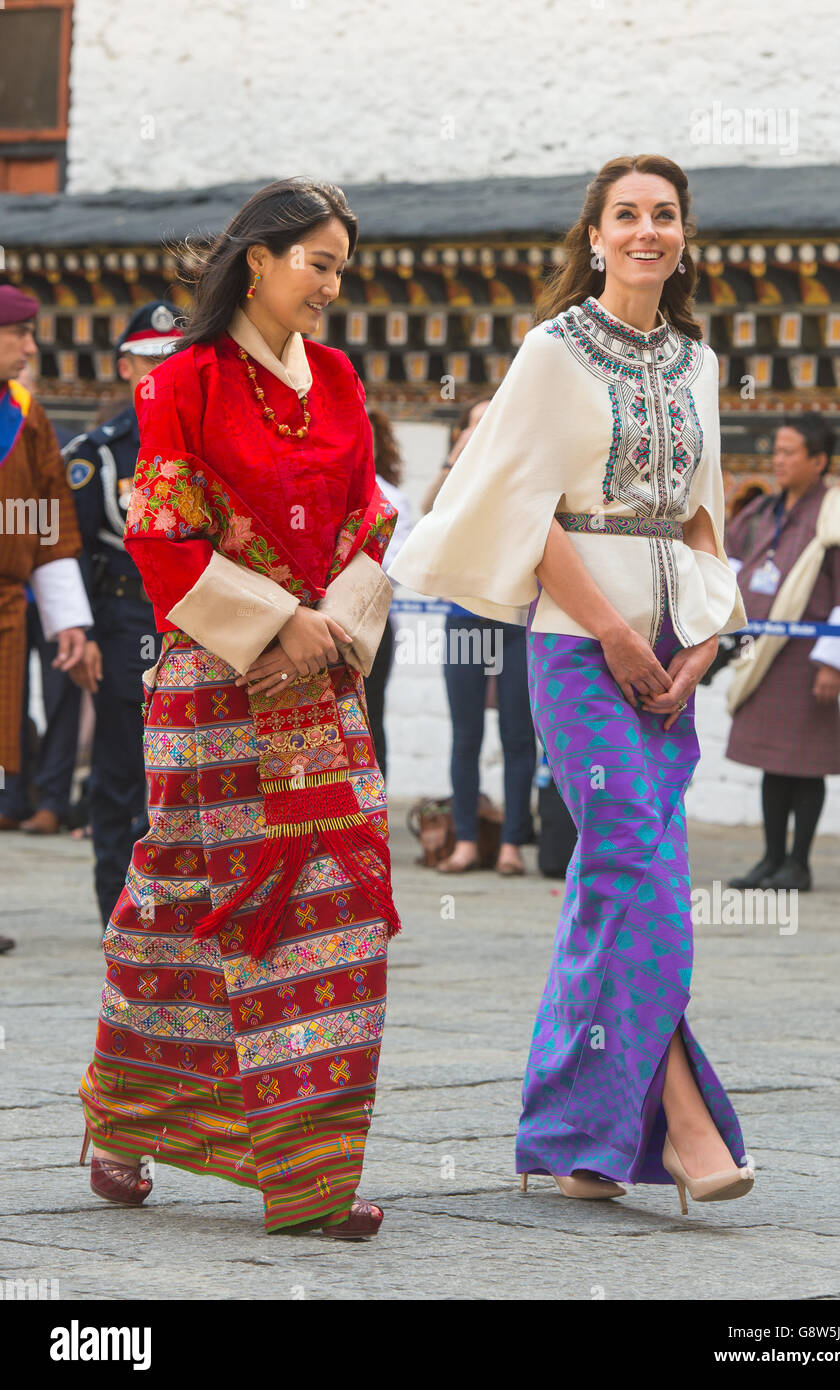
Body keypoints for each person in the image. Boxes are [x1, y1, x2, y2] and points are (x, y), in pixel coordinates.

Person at [389, 154, 756, 1213]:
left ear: (682, 235)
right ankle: (683, 1125)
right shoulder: (551, 353)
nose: (647, 230)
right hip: (573, 649)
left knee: (613, 889)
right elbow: (519, 508)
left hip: (666, 655)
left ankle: (573, 1134)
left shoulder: (696, 362)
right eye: (625, 214)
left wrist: (697, 641)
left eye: (664, 215)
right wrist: (609, 633)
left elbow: (702, 518)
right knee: (638, 877)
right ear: (591, 235)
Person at [77, 178, 401, 1238]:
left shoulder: (342, 379)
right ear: (256, 262)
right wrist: (271, 621)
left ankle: (311, 1172)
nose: (330, 285)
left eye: (341, 267)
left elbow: (372, 516)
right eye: (317, 262)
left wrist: (332, 625)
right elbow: (162, 535)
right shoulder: (181, 383)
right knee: (184, 905)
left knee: (336, 913)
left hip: (320, 683)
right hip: (215, 686)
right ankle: (123, 1117)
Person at [725, 415, 840, 891]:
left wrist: (832, 664)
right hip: (762, 652)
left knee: (805, 762)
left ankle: (798, 864)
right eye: (775, 451)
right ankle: (771, 859)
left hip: (808, 656)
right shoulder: (761, 512)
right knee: (772, 764)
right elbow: (729, 563)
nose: (777, 460)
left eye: (789, 452)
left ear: (818, 461)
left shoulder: (837, 516)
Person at [62, 302, 177, 923]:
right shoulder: (98, 455)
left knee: (193, 771)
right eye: (152, 360)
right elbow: (70, 550)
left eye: (176, 358)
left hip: (200, 624)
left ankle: (190, 908)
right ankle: (120, 909)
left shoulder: (208, 442)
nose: (163, 371)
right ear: (125, 365)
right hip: (124, 619)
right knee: (120, 769)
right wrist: (81, 629)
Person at [0, 285, 92, 952]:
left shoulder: (26, 417)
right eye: (19, 333)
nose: (31, 348)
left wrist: (67, 620)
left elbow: (50, 518)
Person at [424, 399, 537, 876]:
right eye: (473, 424)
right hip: (466, 617)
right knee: (466, 734)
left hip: (513, 619)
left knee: (517, 734)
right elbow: (431, 514)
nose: (482, 431)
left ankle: (511, 843)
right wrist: (456, 457)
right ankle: (466, 840)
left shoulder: (521, 474)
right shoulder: (458, 481)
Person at [361, 406, 413, 783]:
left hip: (372, 625)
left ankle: (373, 812)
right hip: (312, 625)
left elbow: (393, 568)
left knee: (369, 714)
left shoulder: (393, 499)